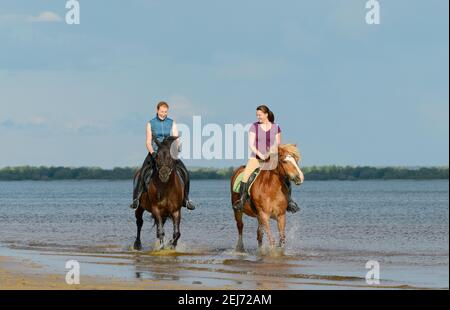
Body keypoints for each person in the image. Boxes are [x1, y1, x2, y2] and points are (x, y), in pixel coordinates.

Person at [130, 101, 196, 210]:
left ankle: (186, 199)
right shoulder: (150, 123)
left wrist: (177, 148)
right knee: (142, 172)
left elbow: (176, 138)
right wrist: (153, 153)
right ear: (157, 110)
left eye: (165, 112)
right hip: (155, 152)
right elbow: (148, 142)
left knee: (184, 171)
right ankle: (136, 199)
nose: (163, 114)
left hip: (168, 152)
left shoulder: (172, 122)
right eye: (161, 111)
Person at [233, 105, 300, 213]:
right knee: (246, 176)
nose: (258, 117)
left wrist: (269, 153)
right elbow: (251, 144)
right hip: (256, 158)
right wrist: (260, 154)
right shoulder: (254, 127)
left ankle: (290, 201)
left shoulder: (276, 127)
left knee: (285, 176)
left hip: (272, 158)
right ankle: (241, 200)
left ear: (266, 114)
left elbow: (277, 144)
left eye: (259, 115)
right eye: (257, 115)